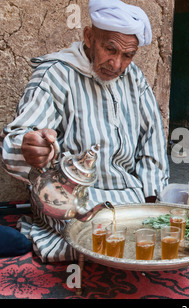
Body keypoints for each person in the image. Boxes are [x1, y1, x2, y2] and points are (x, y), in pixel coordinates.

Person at [0, 0, 170, 263]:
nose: (116, 64)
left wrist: (152, 201)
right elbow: (16, 140)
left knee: (164, 233)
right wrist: (29, 146)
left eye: (127, 55)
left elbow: (152, 141)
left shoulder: (134, 78)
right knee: (99, 237)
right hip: (72, 200)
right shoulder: (56, 74)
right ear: (89, 37)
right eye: (109, 49)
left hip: (129, 196)